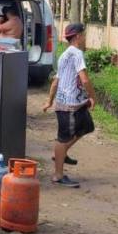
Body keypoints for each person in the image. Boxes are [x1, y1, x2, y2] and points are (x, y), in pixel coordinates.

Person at [42, 23, 96, 188]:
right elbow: (85, 79)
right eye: (84, 35)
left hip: (74, 103)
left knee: (87, 126)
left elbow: (55, 81)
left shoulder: (64, 55)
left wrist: (50, 101)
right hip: (69, 105)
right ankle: (58, 175)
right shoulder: (77, 54)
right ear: (78, 36)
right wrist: (93, 96)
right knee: (63, 138)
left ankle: (62, 153)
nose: (85, 38)